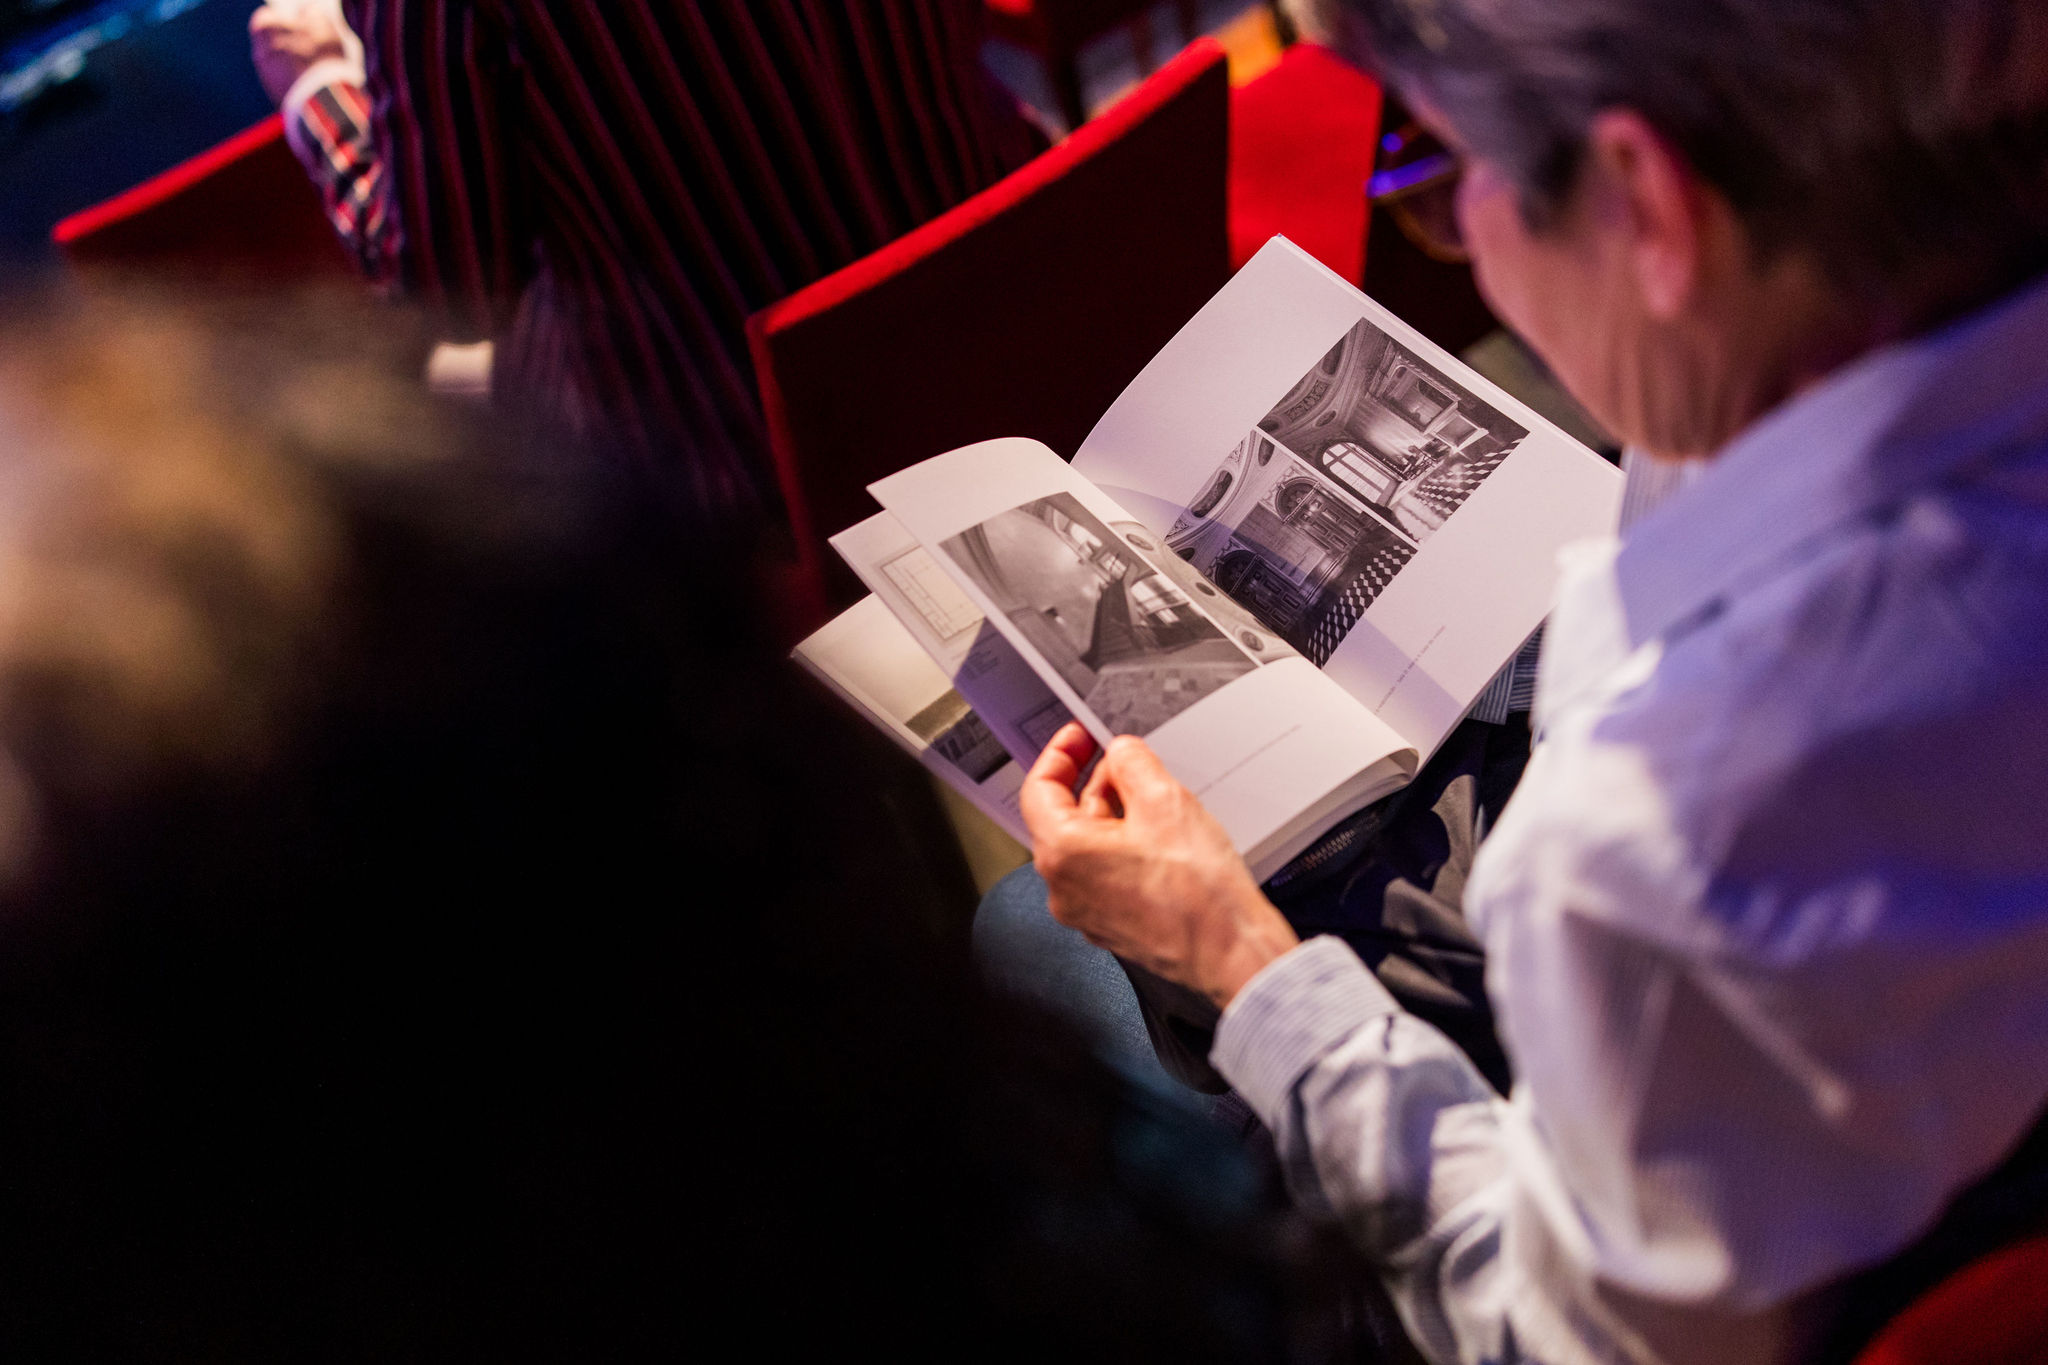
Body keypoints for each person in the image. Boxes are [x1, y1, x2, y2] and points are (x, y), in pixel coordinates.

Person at [997, 1, 2048, 1361]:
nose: (1470, 237)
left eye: (1447, 169)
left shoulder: (1660, 829)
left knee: (1032, 937)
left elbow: (1562, 1334)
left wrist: (1239, 962)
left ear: (1644, 202)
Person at [249, 0, 1041, 533]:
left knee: (459, 437)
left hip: (764, 490)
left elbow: (452, 294)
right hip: (1036, 328)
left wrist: (319, 89)